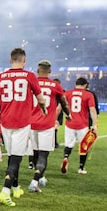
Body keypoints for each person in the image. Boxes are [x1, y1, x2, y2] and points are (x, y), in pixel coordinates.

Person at [0, 48, 46, 206]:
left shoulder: (0, 77)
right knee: (16, 158)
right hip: (22, 123)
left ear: (10, 60)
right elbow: (41, 99)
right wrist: (44, 108)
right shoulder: (29, 76)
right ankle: (5, 191)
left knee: (13, 155)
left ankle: (15, 187)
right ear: (24, 60)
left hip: (6, 122)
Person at [28, 60, 70, 193]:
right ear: (50, 71)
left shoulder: (30, 83)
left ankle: (41, 177)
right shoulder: (55, 85)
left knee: (35, 152)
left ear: (37, 70)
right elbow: (63, 102)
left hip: (31, 123)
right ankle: (35, 181)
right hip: (46, 124)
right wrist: (68, 114)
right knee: (43, 154)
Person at [61, 77, 98, 175]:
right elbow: (92, 110)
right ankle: (81, 168)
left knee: (68, 144)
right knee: (84, 146)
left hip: (70, 123)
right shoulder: (88, 94)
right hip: (82, 124)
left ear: (75, 84)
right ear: (85, 85)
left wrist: (55, 120)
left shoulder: (67, 93)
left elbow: (60, 107)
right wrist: (95, 124)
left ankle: (65, 157)